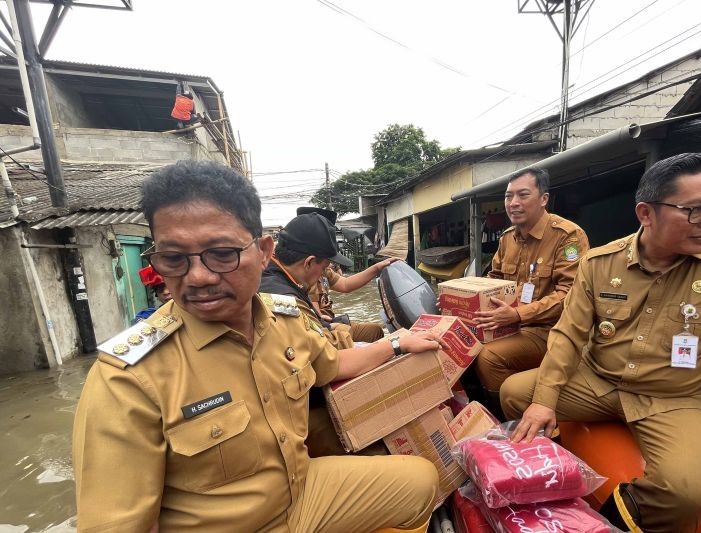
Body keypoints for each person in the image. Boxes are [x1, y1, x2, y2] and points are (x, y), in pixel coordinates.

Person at [72, 160, 439, 532]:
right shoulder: (126, 379)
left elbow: (334, 364)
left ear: (264, 251)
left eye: (221, 253)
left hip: (300, 494)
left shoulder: (287, 322)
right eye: (173, 258)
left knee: (423, 482)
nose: (197, 276)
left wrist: (396, 343)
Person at [500, 152, 701, 533]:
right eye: (696, 210)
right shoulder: (600, 263)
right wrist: (544, 401)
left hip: (678, 399)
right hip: (598, 384)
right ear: (646, 213)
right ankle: (559, 475)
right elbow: (569, 336)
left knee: (689, 494)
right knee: (516, 393)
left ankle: (608, 519)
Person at [259, 212, 438, 456]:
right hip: (293, 410)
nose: (326, 273)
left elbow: (341, 288)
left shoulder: (278, 276)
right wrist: (397, 343)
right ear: (309, 262)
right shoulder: (280, 300)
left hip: (298, 384)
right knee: (384, 443)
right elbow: (331, 364)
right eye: (324, 267)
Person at [471, 167, 589, 415]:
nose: (513, 203)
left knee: (488, 356)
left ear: (543, 199)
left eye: (523, 195)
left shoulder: (567, 236)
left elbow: (570, 295)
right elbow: (494, 279)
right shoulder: (507, 239)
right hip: (511, 325)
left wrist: (518, 315)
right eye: (508, 196)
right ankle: (478, 412)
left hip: (551, 330)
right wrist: (461, 299)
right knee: (460, 342)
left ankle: (506, 418)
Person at [296, 206, 390, 343]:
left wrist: (376, 268)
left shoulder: (323, 270)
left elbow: (345, 284)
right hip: (323, 329)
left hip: (327, 323)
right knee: (374, 333)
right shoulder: (307, 274)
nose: (328, 265)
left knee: (376, 330)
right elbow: (317, 319)